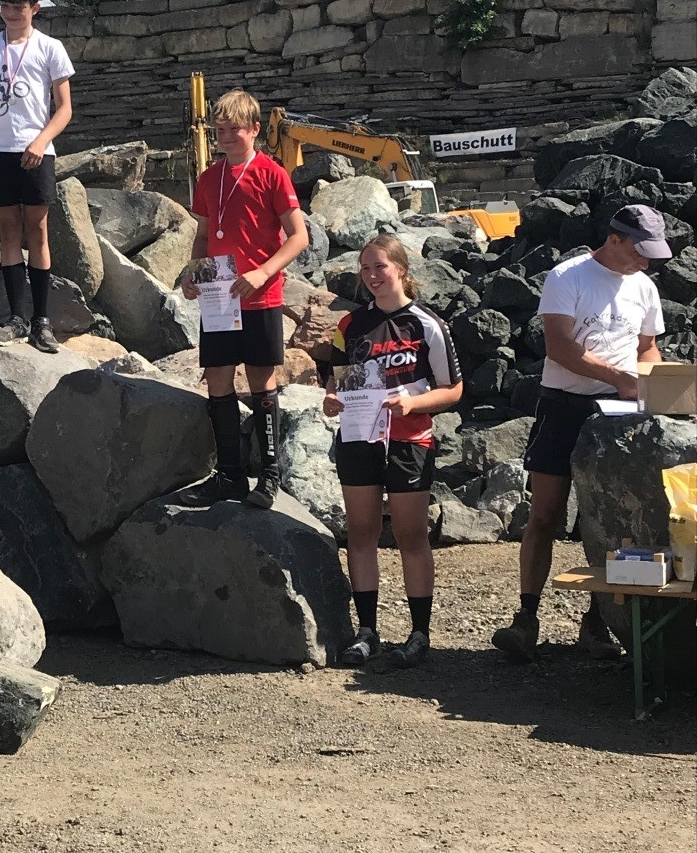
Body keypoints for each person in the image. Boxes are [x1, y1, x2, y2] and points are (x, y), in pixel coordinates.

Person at [492, 204, 671, 661]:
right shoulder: (567, 276)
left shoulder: (644, 287)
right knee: (545, 514)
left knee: (608, 517)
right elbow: (559, 347)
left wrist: (649, 387)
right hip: (565, 406)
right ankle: (526, 617)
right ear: (615, 239)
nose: (645, 261)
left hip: (618, 410)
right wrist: (622, 378)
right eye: (640, 251)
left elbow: (648, 348)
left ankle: (597, 623)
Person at [323, 233, 463, 670]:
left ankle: (420, 633)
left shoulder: (427, 324)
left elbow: (454, 389)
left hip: (409, 440)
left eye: (380, 266)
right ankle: (367, 631)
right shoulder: (348, 325)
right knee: (361, 532)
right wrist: (330, 398)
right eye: (365, 269)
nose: (371, 276)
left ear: (401, 269)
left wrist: (412, 404)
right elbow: (336, 378)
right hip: (359, 437)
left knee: (410, 535)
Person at [179, 89, 309, 509]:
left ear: (255, 129)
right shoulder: (208, 178)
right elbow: (202, 236)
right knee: (217, 379)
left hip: (261, 295)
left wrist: (263, 271)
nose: (225, 135)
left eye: (234, 128)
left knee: (261, 381)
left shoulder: (273, 173)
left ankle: (270, 476)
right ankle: (230, 474)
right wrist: (193, 273)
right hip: (219, 298)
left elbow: (298, 236)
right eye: (219, 128)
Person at [0, 0, 74, 353]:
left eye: (19, 4)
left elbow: (64, 109)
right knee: (9, 229)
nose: (11, 11)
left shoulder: (51, 48)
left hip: (36, 150)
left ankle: (42, 320)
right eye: (5, 4)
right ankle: (17, 319)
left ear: (35, 8)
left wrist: (41, 140)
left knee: (39, 231)